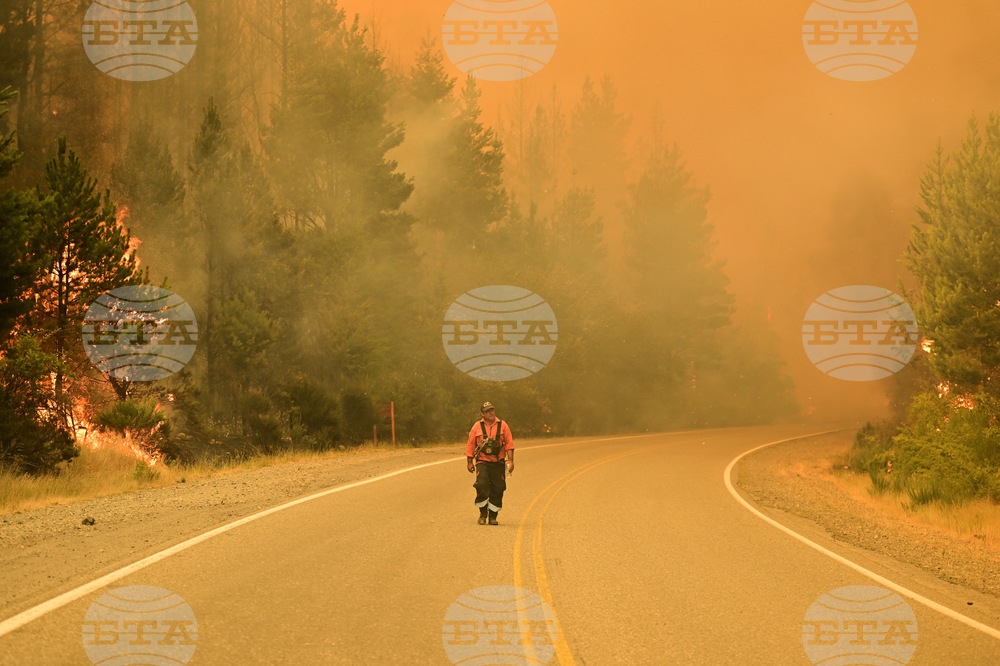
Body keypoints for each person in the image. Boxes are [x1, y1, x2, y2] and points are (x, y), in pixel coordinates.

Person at [466, 402, 515, 525]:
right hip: (482, 461)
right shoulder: (476, 426)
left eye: (492, 410)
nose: (491, 413)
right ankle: (482, 514)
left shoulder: (503, 425)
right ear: (482, 414)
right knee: (481, 485)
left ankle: (493, 516)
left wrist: (510, 460)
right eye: (487, 411)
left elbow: (509, 444)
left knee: (498, 488)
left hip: (498, 462)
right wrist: (469, 462)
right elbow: (471, 444)